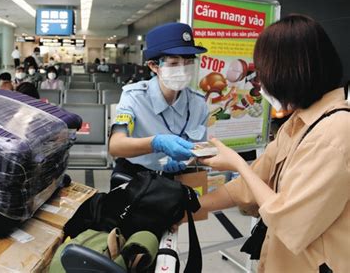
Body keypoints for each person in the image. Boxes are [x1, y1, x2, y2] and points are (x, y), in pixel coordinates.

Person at [198, 15, 349, 272]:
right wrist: (191, 209)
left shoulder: (335, 133)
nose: (261, 83)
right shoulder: (299, 122)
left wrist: (236, 162)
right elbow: (252, 184)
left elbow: (289, 219)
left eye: (264, 73)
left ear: (289, 72)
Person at [108, 22, 208, 183]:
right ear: (154, 66)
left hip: (176, 179)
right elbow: (116, 146)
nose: (183, 71)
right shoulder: (134, 97)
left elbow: (200, 149)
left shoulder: (198, 103)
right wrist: (156, 143)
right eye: (174, 64)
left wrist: (187, 161)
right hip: (135, 177)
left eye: (188, 62)